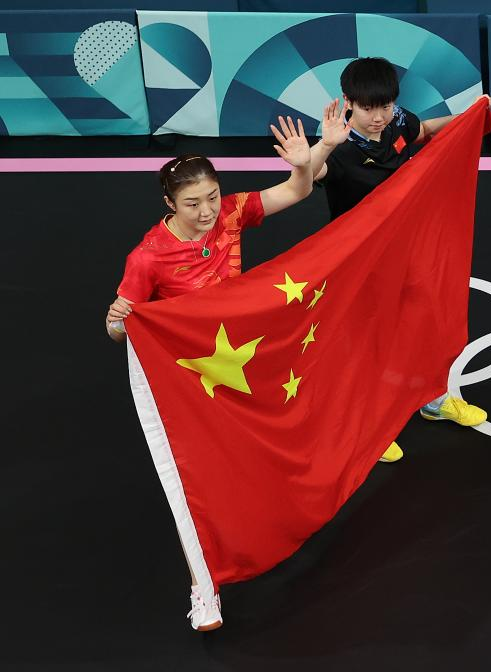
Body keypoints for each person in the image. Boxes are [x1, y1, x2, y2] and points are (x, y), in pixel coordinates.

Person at [105, 107, 350, 631]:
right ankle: (204, 586)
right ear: (170, 204)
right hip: (193, 383)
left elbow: (295, 193)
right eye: (192, 204)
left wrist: (310, 161)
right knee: (191, 482)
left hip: (246, 360)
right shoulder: (148, 257)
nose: (207, 211)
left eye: (212, 197)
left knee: (269, 448)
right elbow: (122, 329)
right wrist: (117, 320)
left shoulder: (234, 214)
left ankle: (286, 516)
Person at [313, 57, 491, 463]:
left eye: (386, 106)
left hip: (408, 246)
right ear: (348, 103)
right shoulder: (336, 146)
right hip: (361, 258)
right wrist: (322, 145)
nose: (378, 117)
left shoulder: (397, 122)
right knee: (371, 339)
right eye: (369, 108)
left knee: (427, 319)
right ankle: (371, 428)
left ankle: (434, 399)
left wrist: (470, 114)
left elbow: (424, 131)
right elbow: (307, 175)